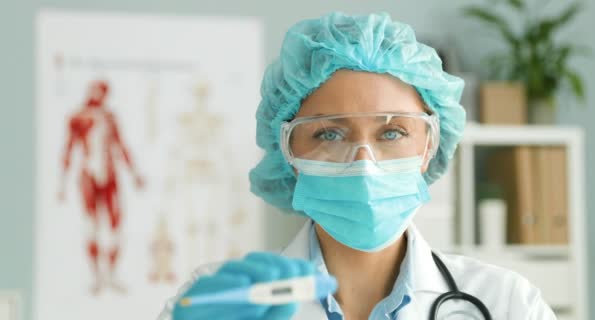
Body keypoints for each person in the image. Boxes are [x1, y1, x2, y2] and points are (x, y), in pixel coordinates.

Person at [158, 12, 556, 319]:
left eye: (393, 132)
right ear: (289, 155)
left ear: (430, 146)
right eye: (330, 134)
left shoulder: (507, 304)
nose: (365, 163)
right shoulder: (226, 303)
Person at [59, 80, 144, 294]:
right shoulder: (78, 117)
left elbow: (121, 145)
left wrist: (134, 173)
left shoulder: (109, 118)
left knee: (116, 225)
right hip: (88, 175)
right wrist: (62, 182)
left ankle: (112, 274)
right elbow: (69, 148)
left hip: (110, 175)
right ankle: (97, 276)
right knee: (92, 225)